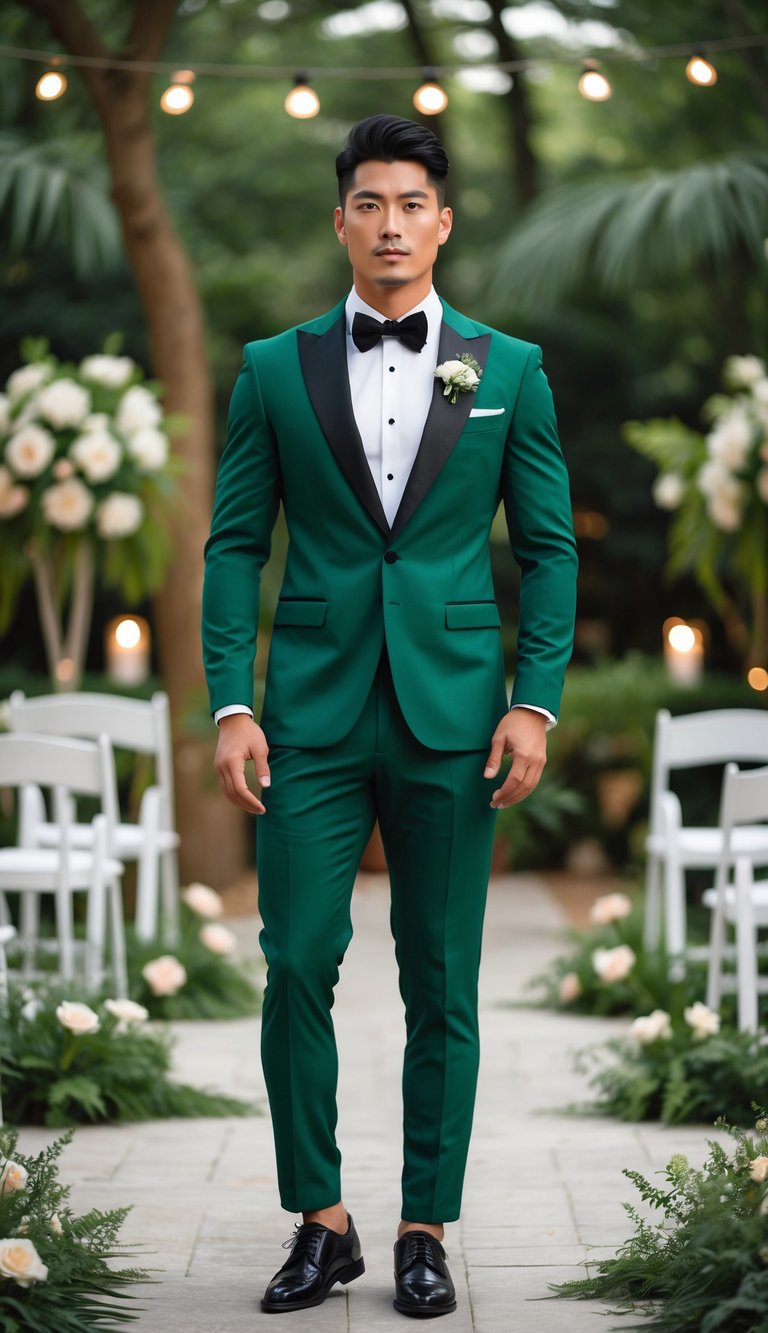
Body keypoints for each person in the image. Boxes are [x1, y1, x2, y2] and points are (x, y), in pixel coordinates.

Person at [202, 113, 577, 1319]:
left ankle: (425, 1225)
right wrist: (231, 700)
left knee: (443, 981)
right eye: (369, 203)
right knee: (296, 958)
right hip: (306, 713)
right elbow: (233, 544)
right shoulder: (272, 365)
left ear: (443, 221)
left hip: (457, 716)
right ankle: (320, 1220)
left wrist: (535, 699)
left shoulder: (506, 369)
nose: (391, 224)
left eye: (412, 203)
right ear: (342, 220)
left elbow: (554, 552)